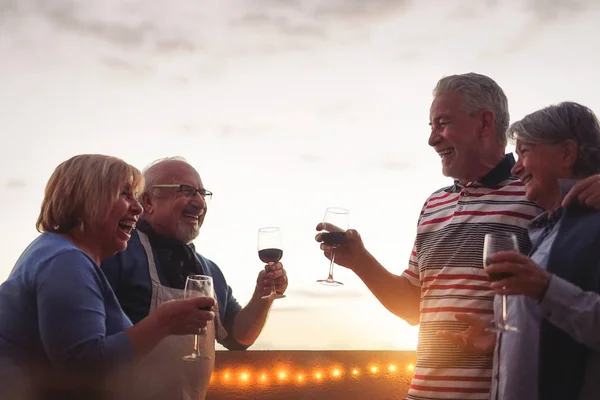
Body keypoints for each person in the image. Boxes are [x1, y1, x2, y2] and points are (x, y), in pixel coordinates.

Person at [315, 74, 600, 400]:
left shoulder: (538, 193)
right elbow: (412, 308)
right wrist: (360, 261)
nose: (432, 139)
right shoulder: (433, 205)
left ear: (484, 123)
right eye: (431, 126)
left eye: (442, 123)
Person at [0, 154, 216, 400]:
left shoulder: (51, 252)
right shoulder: (65, 261)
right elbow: (85, 371)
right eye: (125, 195)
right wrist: (162, 322)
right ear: (87, 199)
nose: (138, 208)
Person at [445, 102, 600, 400]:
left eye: (525, 152)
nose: (515, 169)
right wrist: (502, 335)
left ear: (567, 152)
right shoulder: (545, 231)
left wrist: (544, 287)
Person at [101, 157, 288, 400]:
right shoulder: (116, 253)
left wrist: (264, 295)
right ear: (147, 201)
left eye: (202, 193)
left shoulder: (208, 269)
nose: (199, 203)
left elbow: (240, 337)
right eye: (187, 191)